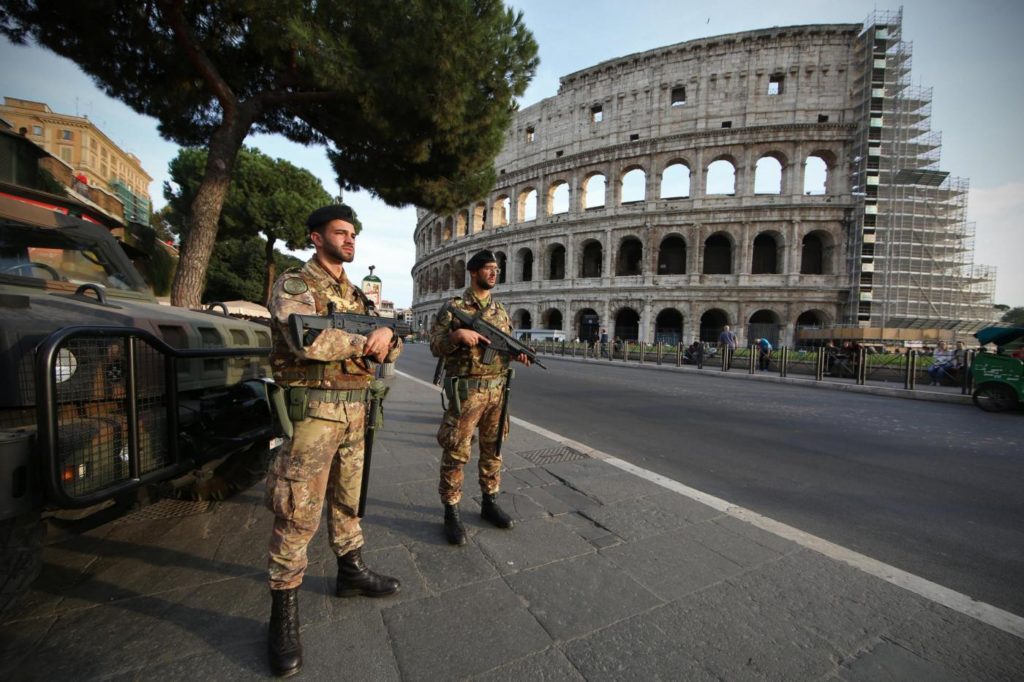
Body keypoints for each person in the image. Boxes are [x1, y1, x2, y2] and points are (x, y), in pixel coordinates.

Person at [264, 204, 403, 677]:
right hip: (315, 412)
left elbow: (393, 342)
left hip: (356, 408)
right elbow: (306, 340)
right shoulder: (295, 285)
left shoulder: (356, 296)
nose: (350, 240)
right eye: (340, 233)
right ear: (315, 238)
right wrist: (369, 342)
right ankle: (283, 612)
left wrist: (384, 333)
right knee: (298, 509)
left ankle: (350, 570)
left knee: (349, 499)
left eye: (353, 234)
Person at [429, 250, 530, 546]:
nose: (494, 273)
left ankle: (489, 501)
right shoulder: (454, 308)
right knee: (456, 451)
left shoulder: (500, 310)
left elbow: (503, 348)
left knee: (493, 448)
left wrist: (517, 354)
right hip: (467, 391)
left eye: (496, 269)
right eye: (488, 269)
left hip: (497, 391)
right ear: (473, 273)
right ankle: (451, 510)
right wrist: (456, 337)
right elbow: (435, 346)